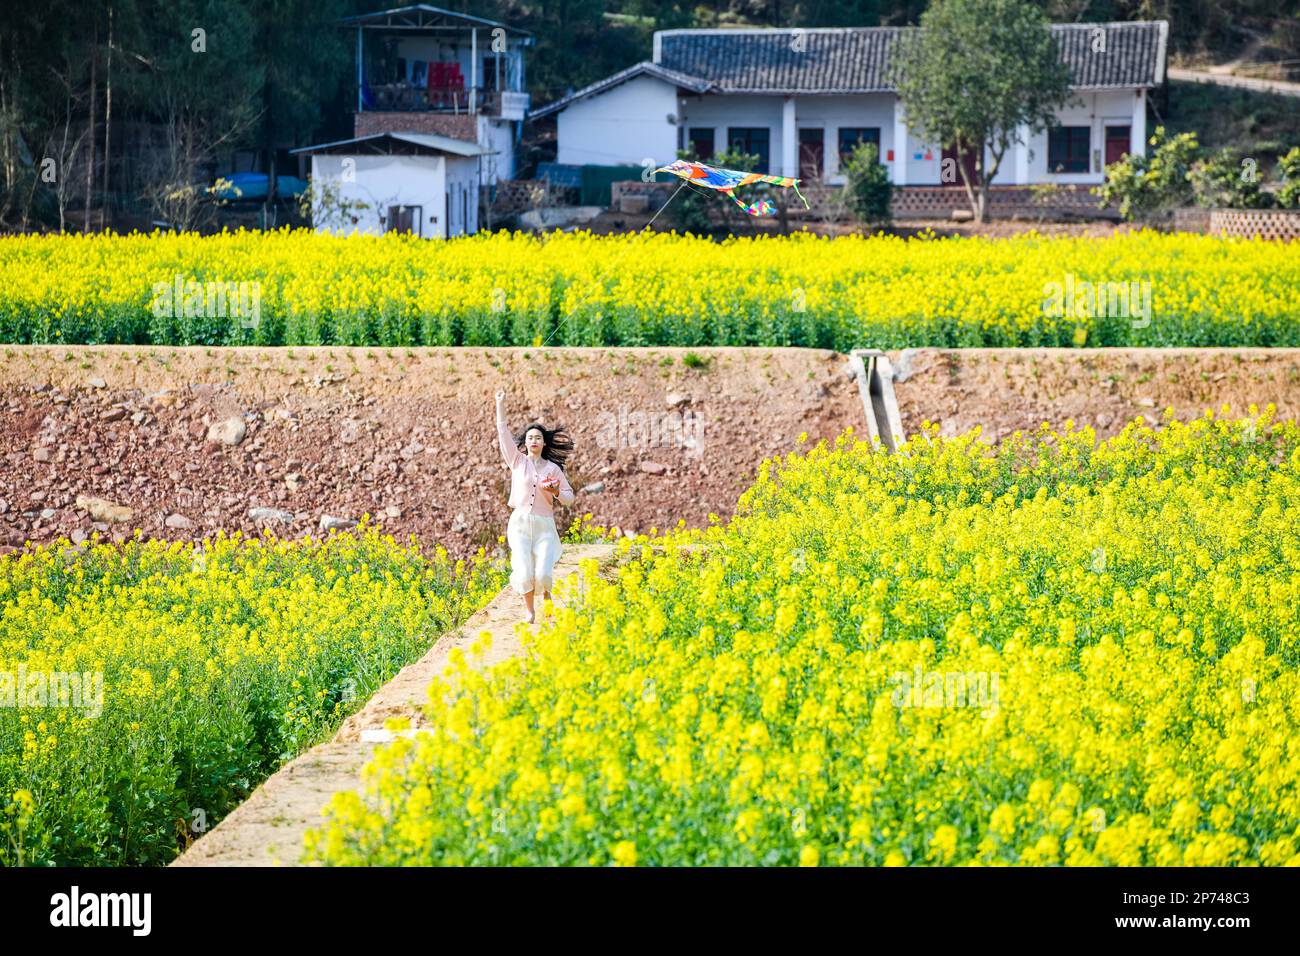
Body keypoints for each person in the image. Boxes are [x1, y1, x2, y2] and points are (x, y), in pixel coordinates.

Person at [494, 390, 576, 623]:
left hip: (544, 525)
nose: (533, 441)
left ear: (544, 442)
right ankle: (530, 612)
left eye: (538, 437)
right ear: (526, 442)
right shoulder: (517, 461)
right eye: (530, 437)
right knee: (524, 569)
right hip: (519, 523)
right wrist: (500, 404)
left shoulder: (552, 469)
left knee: (543, 572)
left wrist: (556, 491)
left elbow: (569, 498)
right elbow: (503, 433)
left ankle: (547, 600)